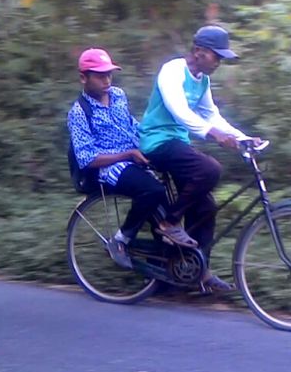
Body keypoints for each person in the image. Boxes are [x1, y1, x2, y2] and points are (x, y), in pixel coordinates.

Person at [138, 25, 260, 293]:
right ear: (198, 51)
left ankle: (196, 272)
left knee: (205, 207)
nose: (218, 62)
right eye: (216, 56)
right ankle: (169, 223)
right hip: (155, 142)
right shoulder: (172, 71)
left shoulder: (202, 80)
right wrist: (213, 134)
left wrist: (243, 138)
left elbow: (212, 114)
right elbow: (180, 112)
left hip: (177, 143)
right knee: (210, 169)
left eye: (220, 58)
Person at [66, 48, 195, 269]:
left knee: (172, 197)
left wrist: (156, 139)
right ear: (83, 78)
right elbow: (87, 158)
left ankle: (169, 265)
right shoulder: (78, 113)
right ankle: (121, 239)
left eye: (109, 74)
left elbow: (131, 125)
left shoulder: (118, 95)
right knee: (153, 190)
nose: (106, 80)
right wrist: (127, 154)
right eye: (99, 75)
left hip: (134, 155)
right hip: (108, 167)